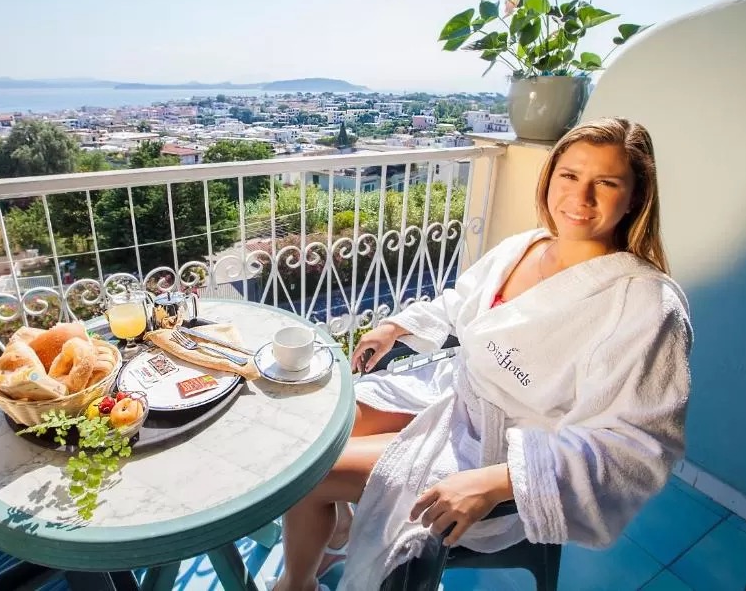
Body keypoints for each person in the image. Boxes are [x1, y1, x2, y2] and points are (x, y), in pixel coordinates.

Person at [270, 117, 693, 591]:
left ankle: (296, 584)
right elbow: (462, 303)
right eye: (570, 175)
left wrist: (499, 481)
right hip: (453, 394)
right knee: (311, 433)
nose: (581, 196)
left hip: (504, 456)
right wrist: (397, 326)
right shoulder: (527, 246)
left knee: (307, 473)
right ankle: (334, 530)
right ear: (550, 176)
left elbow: (635, 448)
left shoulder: (645, 306)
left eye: (607, 183)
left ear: (636, 196)